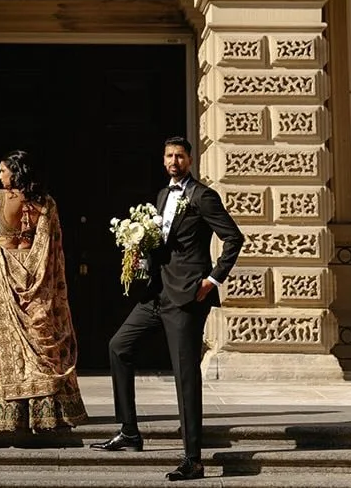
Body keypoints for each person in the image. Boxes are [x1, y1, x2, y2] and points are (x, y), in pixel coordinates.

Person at [94, 135, 244, 482]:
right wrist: (140, 252)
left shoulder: (203, 196)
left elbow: (233, 238)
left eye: (179, 155)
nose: (174, 161)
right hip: (156, 294)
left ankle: (193, 458)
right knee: (119, 347)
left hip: (189, 297)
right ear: (163, 160)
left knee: (185, 375)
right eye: (169, 156)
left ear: (190, 159)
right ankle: (130, 431)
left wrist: (211, 281)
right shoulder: (163, 196)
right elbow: (161, 243)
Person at [0, 149, 88, 438]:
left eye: (3, 170)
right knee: (37, 338)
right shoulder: (46, 203)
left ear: (15, 172)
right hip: (36, 273)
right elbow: (53, 248)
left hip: (2, 266)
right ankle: (47, 411)